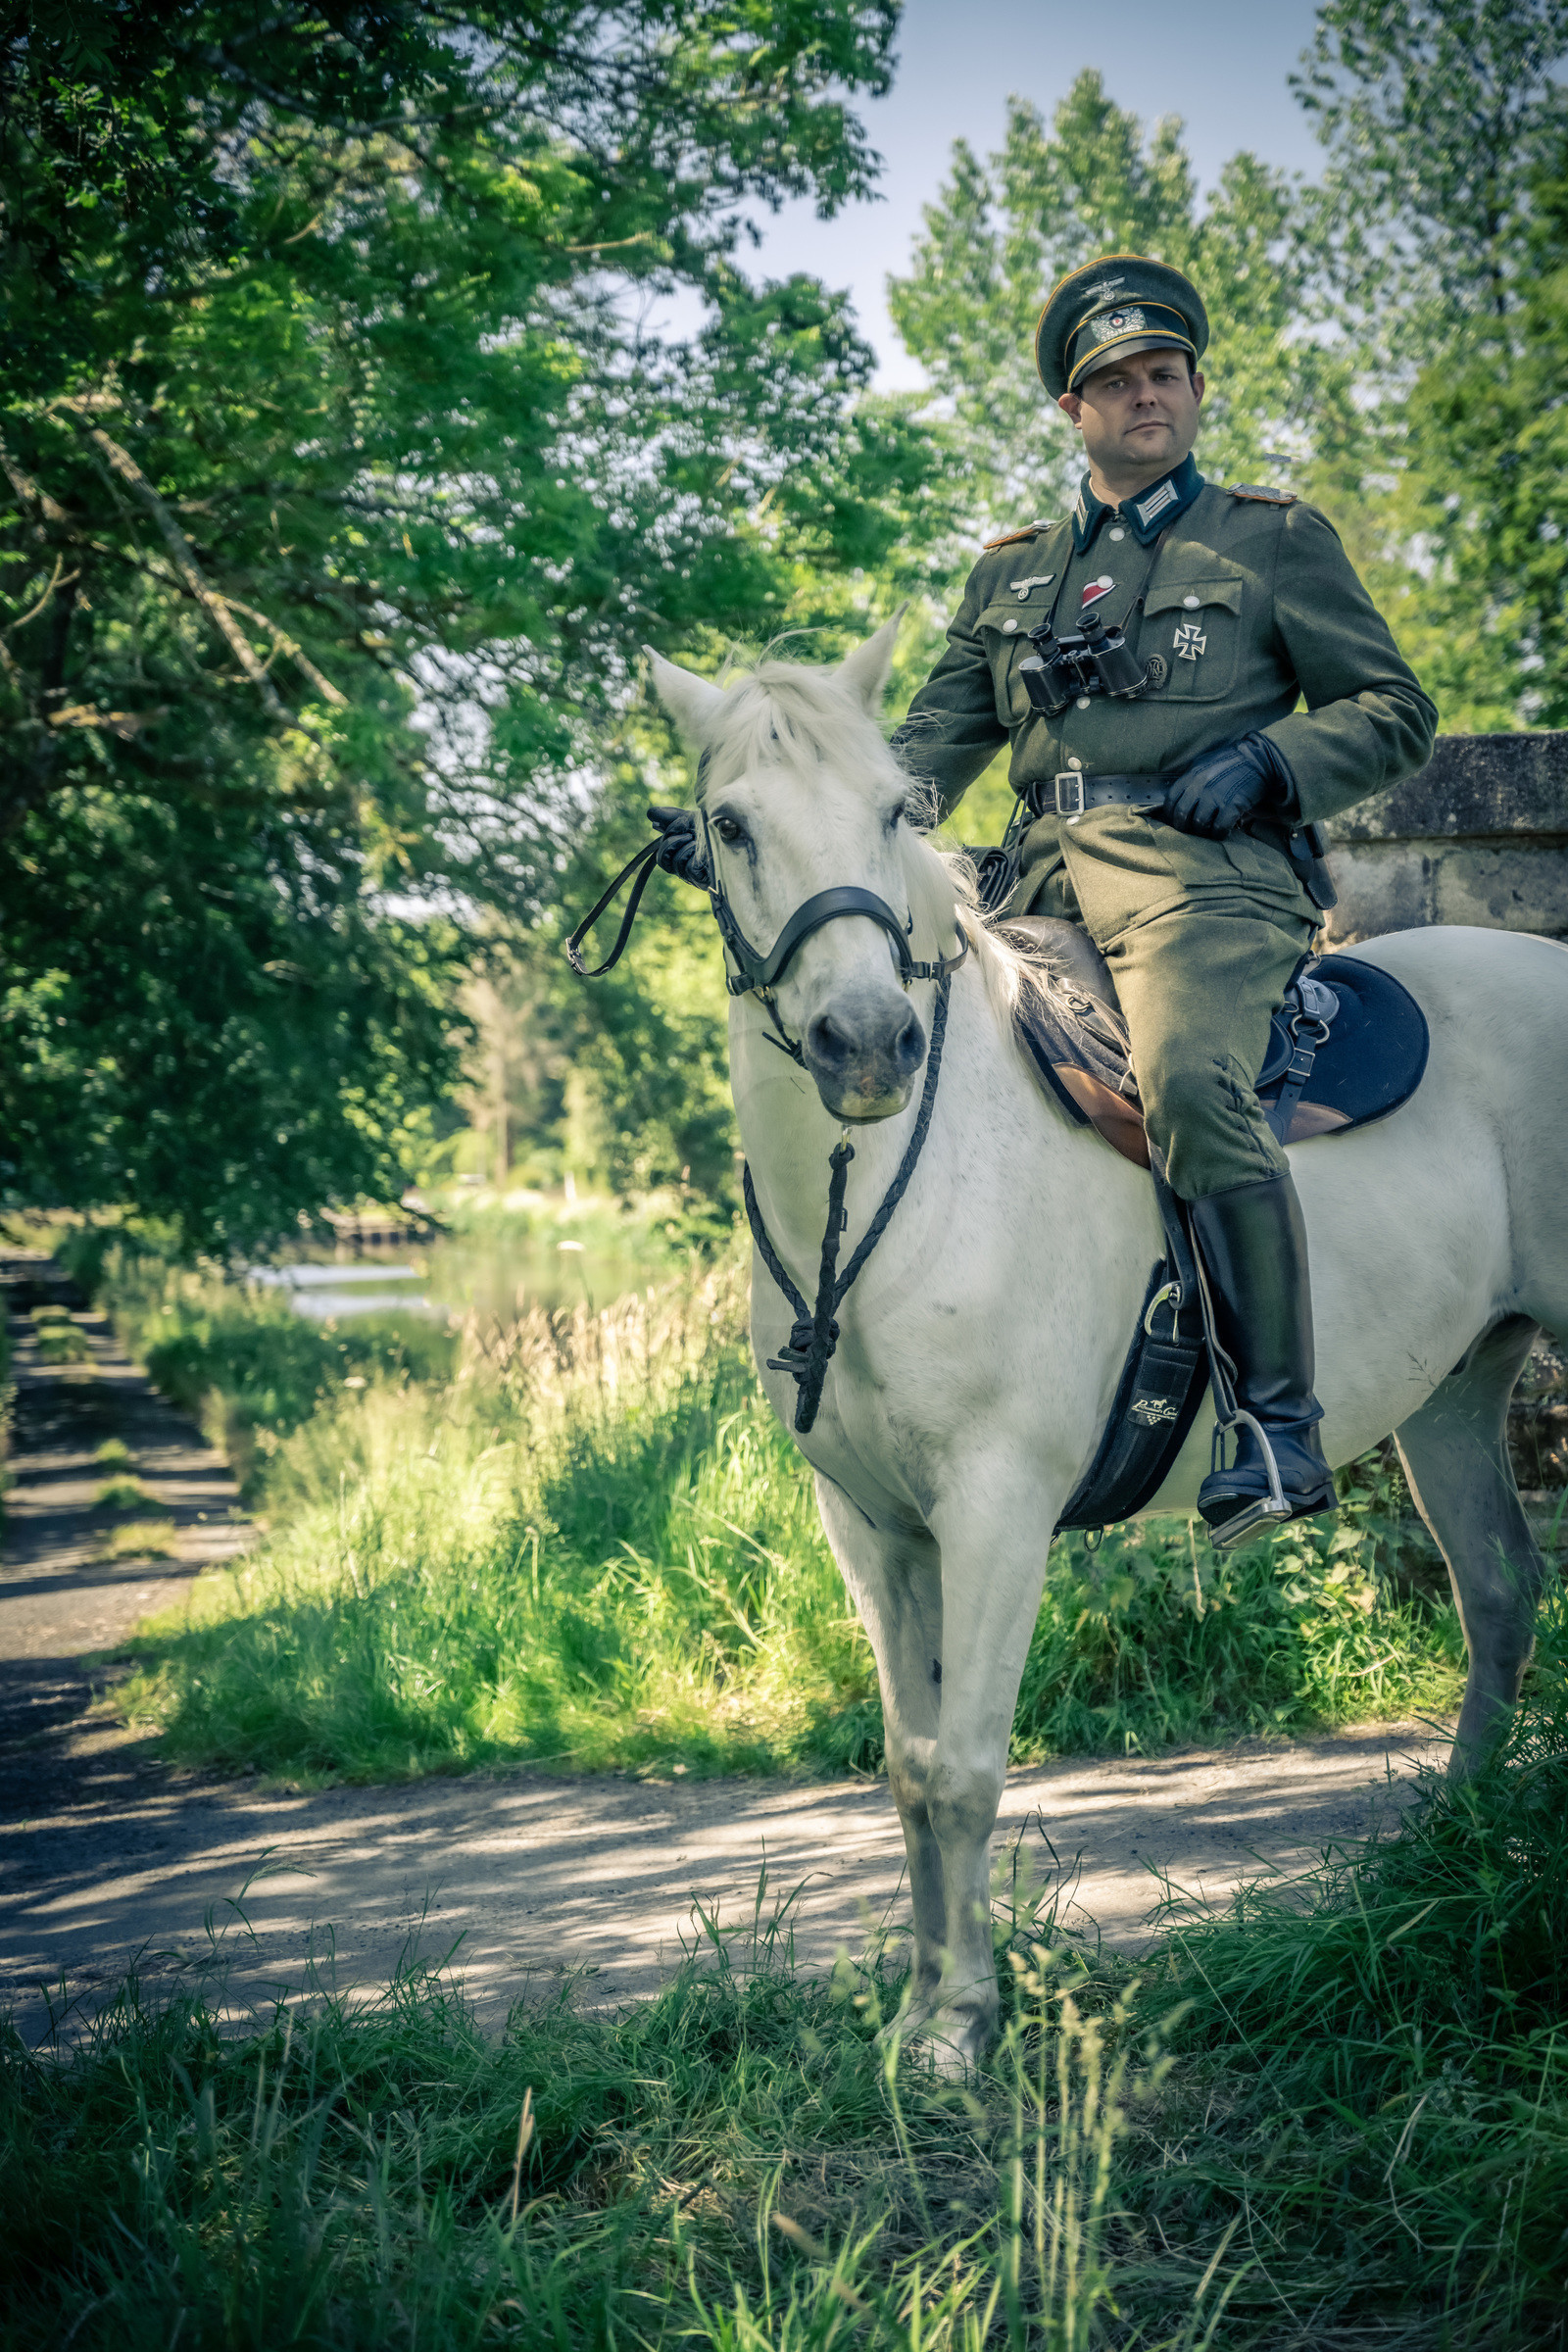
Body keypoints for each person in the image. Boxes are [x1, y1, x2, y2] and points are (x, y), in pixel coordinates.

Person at [891, 252, 1438, 1544]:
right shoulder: (1009, 576)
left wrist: (1273, 762)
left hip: (1207, 888)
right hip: (1034, 888)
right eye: (1119, 381)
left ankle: (1278, 1429)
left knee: (1189, 1079)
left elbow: (1394, 710)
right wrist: (774, 814)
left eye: (1166, 373)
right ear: (1073, 409)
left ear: (1194, 389)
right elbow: (923, 754)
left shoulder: (1270, 539)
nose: (1148, 395)